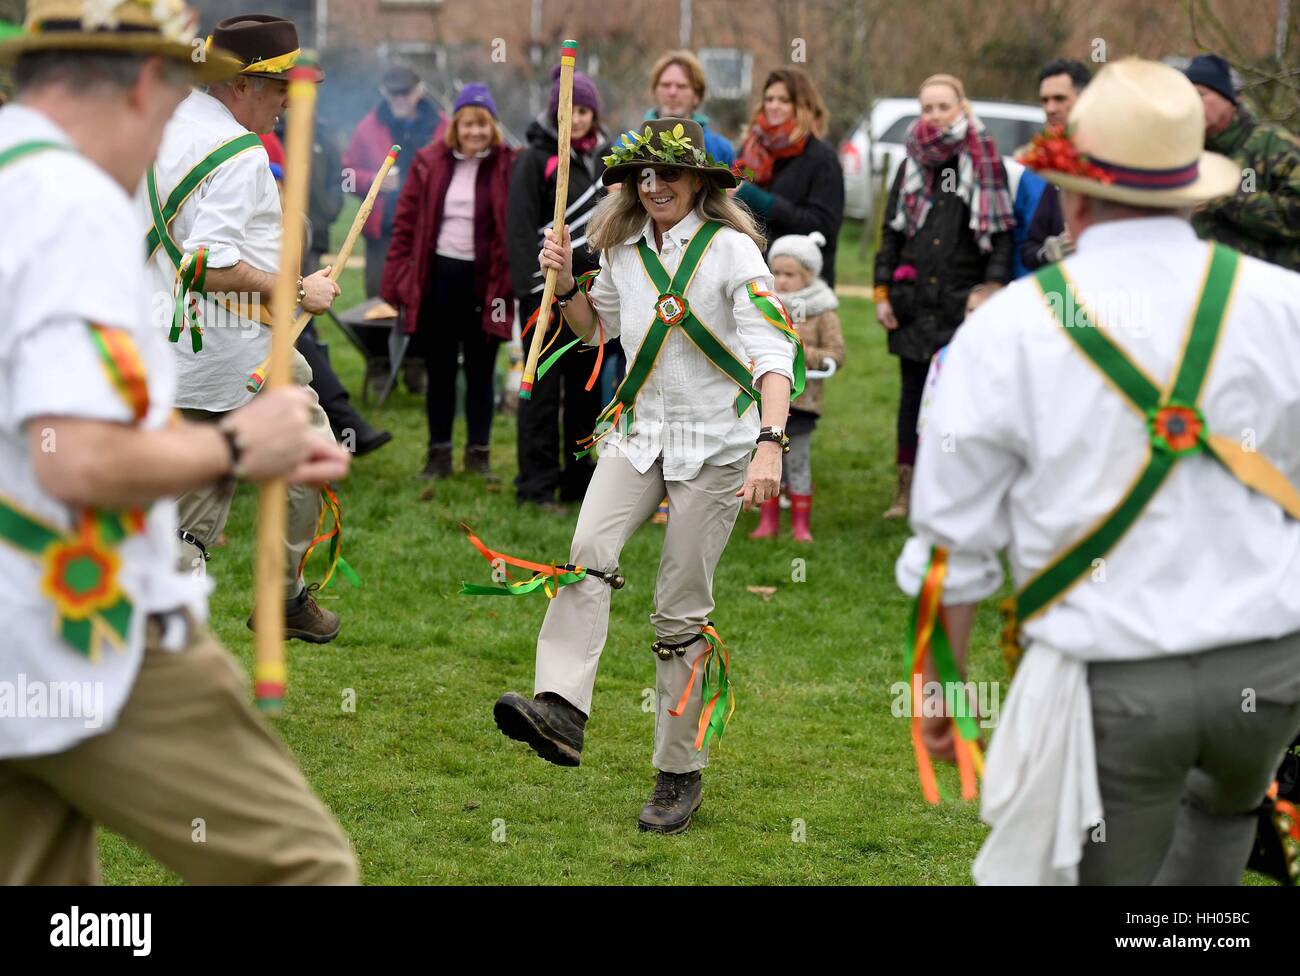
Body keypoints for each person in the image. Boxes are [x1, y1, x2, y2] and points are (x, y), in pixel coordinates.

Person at [899, 58, 1300, 885]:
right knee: (1219, 838)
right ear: (1193, 191)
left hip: (1118, 682)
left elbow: (955, 544)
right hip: (1267, 671)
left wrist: (940, 692)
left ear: (1071, 193)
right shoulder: (1281, 304)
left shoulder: (1009, 329)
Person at [0, 0, 356, 884]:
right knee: (308, 872)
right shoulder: (75, 201)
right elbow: (73, 455)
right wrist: (240, 449)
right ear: (150, 86)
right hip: (76, 623)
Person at [490, 119, 802, 834]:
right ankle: (561, 709)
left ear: (700, 182)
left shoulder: (733, 254)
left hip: (721, 443)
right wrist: (565, 282)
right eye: (642, 176)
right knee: (586, 557)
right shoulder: (621, 251)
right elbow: (591, 330)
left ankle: (677, 772)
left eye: (668, 173)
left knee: (677, 612)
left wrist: (769, 443)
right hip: (638, 436)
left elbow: (771, 351)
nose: (653, 185)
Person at [142, 14, 346, 643]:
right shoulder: (241, 154)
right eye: (281, 86)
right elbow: (210, 264)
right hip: (239, 359)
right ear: (243, 84)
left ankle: (161, 638)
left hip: (167, 352)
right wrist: (296, 289)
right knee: (314, 457)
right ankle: (280, 596)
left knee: (192, 503)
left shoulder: (166, 125)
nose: (289, 101)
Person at [873, 73, 1014, 520]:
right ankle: (906, 490)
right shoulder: (910, 161)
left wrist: (989, 291)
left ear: (961, 108)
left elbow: (1001, 237)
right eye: (926, 108)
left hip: (961, 306)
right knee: (911, 398)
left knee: (962, 405)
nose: (934, 117)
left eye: (942, 107)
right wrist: (882, 292)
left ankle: (958, 491)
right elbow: (890, 235)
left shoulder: (984, 159)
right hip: (914, 303)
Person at [381, 83, 515, 479]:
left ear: (492, 127)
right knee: (439, 369)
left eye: (483, 125)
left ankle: (479, 454)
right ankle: (438, 453)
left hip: (486, 280)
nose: (475, 132)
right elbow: (405, 223)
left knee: (481, 368)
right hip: (439, 275)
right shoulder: (429, 161)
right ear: (455, 125)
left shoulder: (509, 164)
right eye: (468, 124)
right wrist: (395, 281)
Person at [507, 66, 609, 511]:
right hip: (543, 295)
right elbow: (518, 229)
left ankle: (578, 480)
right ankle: (536, 482)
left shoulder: (604, 162)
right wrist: (534, 292)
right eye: (571, 110)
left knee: (584, 390)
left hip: (588, 295)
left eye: (586, 110)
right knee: (542, 392)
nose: (580, 118)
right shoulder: (534, 160)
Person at [750, 231, 843, 542]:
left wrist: (800, 350)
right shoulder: (765, 306)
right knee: (766, 458)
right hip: (766, 405)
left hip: (801, 405)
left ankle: (801, 525)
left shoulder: (822, 312)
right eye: (776, 273)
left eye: (790, 274)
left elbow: (836, 354)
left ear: (810, 274)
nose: (782, 280)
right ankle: (768, 521)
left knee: (798, 462)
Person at [1185, 53, 1300, 272]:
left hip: (1270, 286)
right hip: (1204, 288)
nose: (1192, 104)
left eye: (1201, 95)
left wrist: (1223, 199)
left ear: (1228, 99)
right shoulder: (1188, 152)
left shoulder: (1271, 145)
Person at [734, 67, 845, 286]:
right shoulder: (749, 150)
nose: (774, 105)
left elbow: (821, 225)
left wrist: (756, 199)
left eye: (784, 100)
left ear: (802, 106)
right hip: (750, 273)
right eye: (769, 99)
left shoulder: (822, 158)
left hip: (800, 284)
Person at [343, 65, 442, 299]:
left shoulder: (442, 127)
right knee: (379, 303)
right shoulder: (368, 127)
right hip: (384, 233)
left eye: (405, 93)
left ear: (419, 92)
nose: (399, 99)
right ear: (384, 94)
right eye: (393, 94)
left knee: (427, 300)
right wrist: (373, 181)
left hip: (432, 232)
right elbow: (346, 175)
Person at [1020, 58, 1092, 272]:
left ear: (1085, 99)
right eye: (1045, 100)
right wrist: (1049, 252)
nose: (1050, 108)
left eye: (1060, 99)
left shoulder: (1109, 157)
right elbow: (1027, 248)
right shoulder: (1047, 164)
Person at [645, 50, 734, 166]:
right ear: (655, 92)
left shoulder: (721, 150)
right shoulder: (628, 145)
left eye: (682, 86)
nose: (672, 92)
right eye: (665, 85)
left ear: (697, 95)